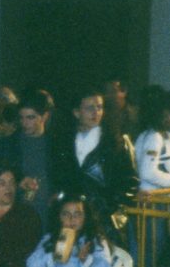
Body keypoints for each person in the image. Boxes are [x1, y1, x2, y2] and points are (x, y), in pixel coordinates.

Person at [53, 87, 137, 241]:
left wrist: (114, 209)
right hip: (72, 216)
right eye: (90, 108)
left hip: (104, 217)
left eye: (99, 107)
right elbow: (59, 177)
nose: (96, 112)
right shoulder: (63, 142)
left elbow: (130, 180)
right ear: (76, 112)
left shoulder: (115, 142)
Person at [133, 86, 170, 267]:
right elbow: (147, 172)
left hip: (166, 204)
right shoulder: (153, 137)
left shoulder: (166, 138)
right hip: (156, 204)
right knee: (152, 256)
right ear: (165, 113)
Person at [0, 89, 59, 224]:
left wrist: (59, 195)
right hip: (15, 216)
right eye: (21, 117)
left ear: (44, 117)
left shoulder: (57, 146)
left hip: (49, 216)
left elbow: (68, 180)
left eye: (30, 117)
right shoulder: (5, 145)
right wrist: (17, 180)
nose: (24, 123)